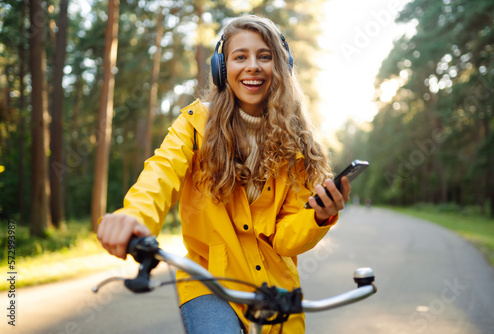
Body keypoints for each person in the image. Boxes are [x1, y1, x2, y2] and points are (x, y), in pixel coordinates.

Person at [97, 15, 351, 334]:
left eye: (265, 56)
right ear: (222, 68)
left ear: (282, 67)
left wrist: (318, 215)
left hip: (274, 286)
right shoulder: (194, 125)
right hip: (208, 281)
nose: (253, 66)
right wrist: (133, 216)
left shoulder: (297, 144)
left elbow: (285, 239)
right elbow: (159, 177)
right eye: (240, 56)